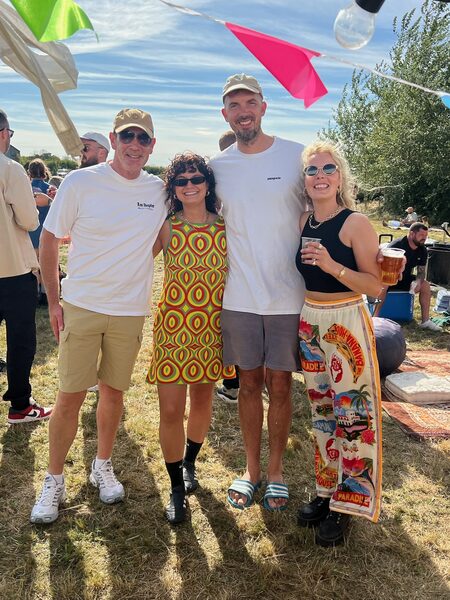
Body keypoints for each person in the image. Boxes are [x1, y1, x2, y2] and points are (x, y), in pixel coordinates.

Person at [30, 108, 167, 524]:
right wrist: (55, 301)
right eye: (127, 136)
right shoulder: (80, 181)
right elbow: (49, 239)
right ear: (114, 139)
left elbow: (158, 240)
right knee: (69, 396)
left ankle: (101, 465)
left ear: (152, 146)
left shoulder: (158, 190)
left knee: (113, 393)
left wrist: (134, 264)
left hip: (129, 311)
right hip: (83, 306)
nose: (134, 145)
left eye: (142, 138)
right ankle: (54, 479)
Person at [209, 73, 306, 511]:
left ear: (264, 107)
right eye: (234, 105)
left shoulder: (296, 156)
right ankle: (251, 470)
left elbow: (325, 205)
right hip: (239, 295)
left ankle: (276, 472)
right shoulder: (217, 167)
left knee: (280, 384)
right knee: (248, 383)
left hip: (289, 294)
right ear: (225, 114)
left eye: (250, 102)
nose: (243, 111)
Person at [295, 140, 383, 546]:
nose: (320, 176)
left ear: (340, 176)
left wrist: (333, 266)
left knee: (352, 416)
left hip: (347, 319)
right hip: (310, 321)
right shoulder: (303, 221)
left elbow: (376, 286)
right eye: (312, 170)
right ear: (304, 180)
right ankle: (326, 491)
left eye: (328, 168)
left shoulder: (355, 223)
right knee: (322, 413)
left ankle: (350, 502)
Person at [148, 152, 234, 524]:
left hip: (212, 328)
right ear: (173, 188)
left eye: (196, 178)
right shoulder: (167, 227)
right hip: (173, 328)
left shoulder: (226, 227)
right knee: (170, 410)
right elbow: (134, 263)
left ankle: (190, 464)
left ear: (208, 184)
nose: (189, 185)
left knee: (202, 400)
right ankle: (176, 488)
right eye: (181, 181)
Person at [0, 108, 51, 423]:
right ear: (4, 133)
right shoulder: (10, 168)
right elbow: (29, 221)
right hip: (12, 270)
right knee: (20, 340)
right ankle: (20, 404)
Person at [374, 222, 442, 331]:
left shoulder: (422, 250)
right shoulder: (396, 246)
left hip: (404, 278)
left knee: (425, 285)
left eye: (426, 236)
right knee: (384, 285)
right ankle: (374, 318)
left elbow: (421, 271)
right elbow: (381, 267)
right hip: (388, 277)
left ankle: (425, 321)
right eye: (421, 235)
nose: (424, 238)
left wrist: (418, 282)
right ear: (411, 234)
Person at [215, 129, 241, 404]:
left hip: (226, 266)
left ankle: (232, 383)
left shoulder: (223, 174)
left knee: (228, 329)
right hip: (236, 264)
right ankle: (234, 381)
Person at [28, 158, 52, 304]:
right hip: (47, 231)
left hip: (31, 231)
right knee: (46, 264)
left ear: (29, 173)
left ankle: (35, 293)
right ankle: (45, 294)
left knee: (34, 265)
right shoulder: (50, 189)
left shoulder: (26, 189)